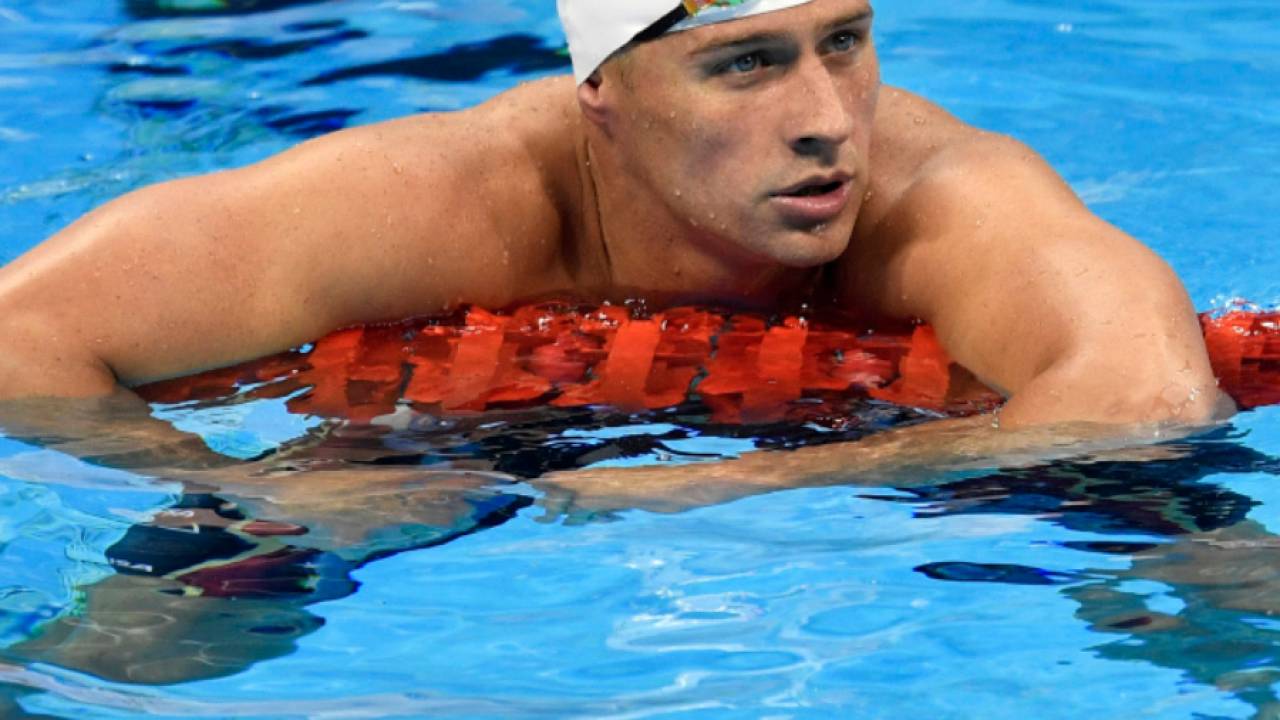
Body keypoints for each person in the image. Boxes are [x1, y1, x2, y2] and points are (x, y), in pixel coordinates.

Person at [0, 0, 1226, 484]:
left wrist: (725, 486)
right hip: (441, 435)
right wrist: (223, 486)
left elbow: (1144, 401)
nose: (825, 120)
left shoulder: (941, 191)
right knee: (218, 576)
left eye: (843, 44)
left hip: (837, 441)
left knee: (1185, 536)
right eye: (743, 65)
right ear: (601, 89)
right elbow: (20, 336)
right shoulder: (436, 198)